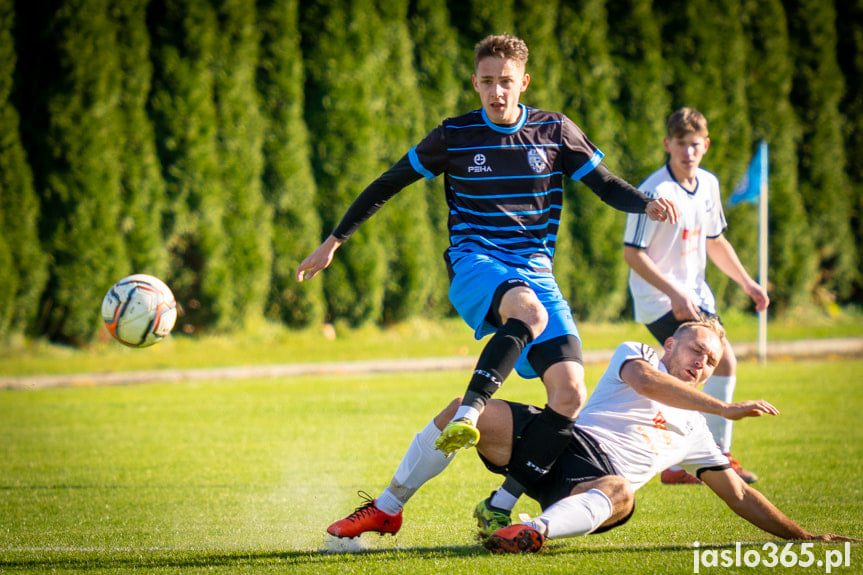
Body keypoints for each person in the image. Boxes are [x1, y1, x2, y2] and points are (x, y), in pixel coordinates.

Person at [298, 33, 678, 523]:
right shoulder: (453, 135)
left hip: (537, 273)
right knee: (528, 312)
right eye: (487, 82)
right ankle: (469, 413)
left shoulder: (555, 130)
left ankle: (493, 504)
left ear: (524, 82)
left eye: (506, 82)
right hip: (476, 264)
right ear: (474, 83)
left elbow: (604, 185)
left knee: (570, 394)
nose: (497, 92)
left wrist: (645, 203)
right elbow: (390, 180)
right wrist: (334, 240)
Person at [324, 319, 857, 553]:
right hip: (559, 442)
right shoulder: (639, 354)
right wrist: (726, 407)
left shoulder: (696, 430)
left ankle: (531, 532)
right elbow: (649, 383)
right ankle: (389, 506)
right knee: (466, 411)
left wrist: (802, 537)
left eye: (711, 361)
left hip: (593, 483)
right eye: (695, 351)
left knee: (625, 492)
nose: (701, 363)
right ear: (670, 344)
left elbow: (738, 494)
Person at [623, 107, 769, 485]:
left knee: (704, 371)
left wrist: (748, 283)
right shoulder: (654, 191)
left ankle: (688, 461)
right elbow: (632, 253)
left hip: (697, 297)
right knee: (715, 365)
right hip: (659, 298)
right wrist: (673, 293)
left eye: (695, 145)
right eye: (681, 144)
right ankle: (706, 460)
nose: (688, 152)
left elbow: (715, 240)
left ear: (705, 145)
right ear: (667, 144)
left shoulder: (708, 184)